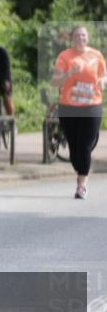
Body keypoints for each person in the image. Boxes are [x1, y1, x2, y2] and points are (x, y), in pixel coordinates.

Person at [50, 25, 106, 199]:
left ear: (87, 38)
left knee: (84, 146)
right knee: (75, 149)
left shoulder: (96, 55)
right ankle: (80, 163)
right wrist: (68, 73)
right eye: (78, 35)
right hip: (69, 106)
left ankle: (81, 186)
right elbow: (55, 82)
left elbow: (104, 75)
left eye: (84, 35)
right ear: (72, 38)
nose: (81, 38)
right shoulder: (64, 56)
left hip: (92, 105)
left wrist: (103, 81)